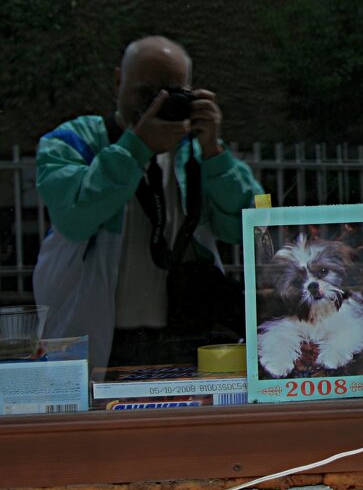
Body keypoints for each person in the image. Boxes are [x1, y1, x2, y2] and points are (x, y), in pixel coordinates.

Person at [32, 36, 263, 369]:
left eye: (171, 93)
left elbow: (252, 228)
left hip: (185, 335)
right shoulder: (72, 141)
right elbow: (75, 217)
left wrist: (216, 155)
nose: (157, 104)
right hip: (100, 339)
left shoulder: (200, 150)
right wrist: (137, 147)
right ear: (118, 81)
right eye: (146, 93)